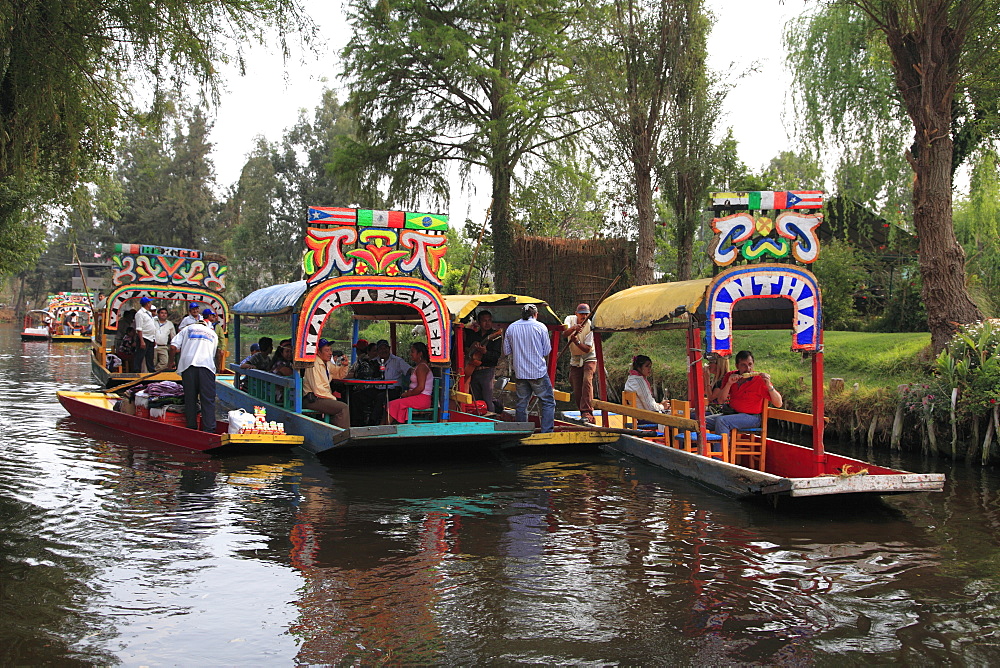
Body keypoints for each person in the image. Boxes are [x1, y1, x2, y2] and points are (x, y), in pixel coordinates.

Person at [503, 303, 555, 433]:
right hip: (538, 372)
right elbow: (546, 350)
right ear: (535, 314)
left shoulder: (511, 328)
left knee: (521, 403)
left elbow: (506, 350)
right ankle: (547, 432)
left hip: (520, 373)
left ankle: (522, 432)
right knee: (547, 402)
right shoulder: (540, 327)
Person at [705, 350, 783, 435]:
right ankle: (704, 447)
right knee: (703, 422)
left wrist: (769, 385)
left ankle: (721, 448)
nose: (748, 369)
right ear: (737, 366)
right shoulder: (730, 376)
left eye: (750, 365)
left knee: (722, 421)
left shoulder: (760, 380)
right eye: (743, 365)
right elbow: (720, 401)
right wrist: (729, 384)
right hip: (732, 413)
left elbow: (778, 403)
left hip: (752, 417)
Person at [169, 308, 219, 432]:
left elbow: (173, 347)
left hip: (188, 366)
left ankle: (191, 426)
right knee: (207, 400)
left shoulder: (187, 329)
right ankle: (209, 429)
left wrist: (171, 362)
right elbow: (214, 354)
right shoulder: (213, 334)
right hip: (206, 366)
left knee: (190, 398)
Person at [303, 339, 350, 428]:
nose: (330, 353)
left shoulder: (326, 363)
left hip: (321, 397)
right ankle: (341, 435)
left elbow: (338, 374)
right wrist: (333, 398)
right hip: (312, 399)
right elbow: (318, 389)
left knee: (341, 404)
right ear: (318, 352)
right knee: (342, 408)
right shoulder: (313, 364)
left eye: (330, 350)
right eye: (327, 350)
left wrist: (344, 366)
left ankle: (334, 430)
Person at [563, 302, 597, 424]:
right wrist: (574, 328)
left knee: (587, 380)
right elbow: (564, 333)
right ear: (576, 314)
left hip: (589, 357)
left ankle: (588, 412)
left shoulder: (590, 326)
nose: (584, 317)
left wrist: (577, 342)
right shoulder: (569, 319)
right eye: (582, 314)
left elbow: (587, 349)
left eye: (586, 315)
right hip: (575, 357)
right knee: (575, 382)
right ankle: (582, 412)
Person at [465, 310, 504, 413]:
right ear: (478, 322)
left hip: (487, 371)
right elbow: (467, 350)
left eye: (489, 320)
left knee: (488, 399)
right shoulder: (474, 336)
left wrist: (485, 352)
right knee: (476, 401)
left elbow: (496, 356)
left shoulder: (495, 336)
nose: (487, 323)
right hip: (473, 370)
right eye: (484, 321)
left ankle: (492, 421)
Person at [386, 342, 434, 424]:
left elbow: (420, 388)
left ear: (420, 354)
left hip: (422, 399)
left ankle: (384, 428)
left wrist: (408, 394)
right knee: (392, 404)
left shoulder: (422, 367)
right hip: (417, 397)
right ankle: (383, 426)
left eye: (412, 352)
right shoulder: (419, 366)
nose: (410, 354)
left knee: (392, 405)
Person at [133, 296, 157, 373]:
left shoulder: (149, 313)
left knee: (150, 356)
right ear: (147, 304)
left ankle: (151, 370)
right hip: (144, 337)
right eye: (149, 303)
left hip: (150, 337)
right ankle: (136, 371)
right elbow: (139, 328)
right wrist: (142, 341)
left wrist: (154, 338)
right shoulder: (140, 314)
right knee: (140, 356)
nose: (150, 304)